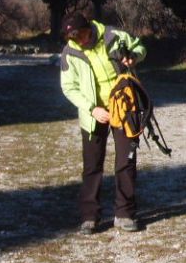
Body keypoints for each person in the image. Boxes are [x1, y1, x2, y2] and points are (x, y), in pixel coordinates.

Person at [60, 12, 147, 233]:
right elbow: (69, 87)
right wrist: (92, 109)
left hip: (124, 107)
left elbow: (140, 47)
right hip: (93, 113)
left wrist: (134, 57)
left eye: (82, 35)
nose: (81, 41)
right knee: (92, 166)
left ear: (89, 27)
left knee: (126, 160)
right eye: (74, 38)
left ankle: (125, 213)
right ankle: (90, 217)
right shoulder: (70, 53)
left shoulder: (113, 36)